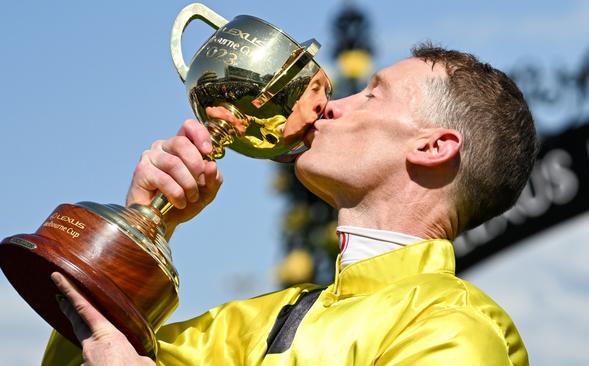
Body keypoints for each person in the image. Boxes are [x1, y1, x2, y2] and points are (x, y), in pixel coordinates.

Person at [43, 43, 536, 365]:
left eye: (372, 94)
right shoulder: (250, 320)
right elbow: (92, 350)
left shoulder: (456, 331)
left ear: (433, 146)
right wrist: (138, 236)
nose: (331, 106)